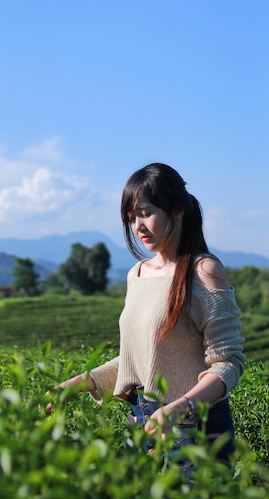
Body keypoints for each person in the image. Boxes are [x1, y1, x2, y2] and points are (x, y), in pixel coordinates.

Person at [48, 162, 245, 467]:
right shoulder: (137, 274)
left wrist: (182, 406)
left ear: (178, 210)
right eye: (131, 218)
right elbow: (140, 359)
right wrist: (74, 385)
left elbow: (228, 363)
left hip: (196, 427)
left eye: (146, 213)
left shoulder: (204, 271)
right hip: (142, 420)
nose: (138, 226)